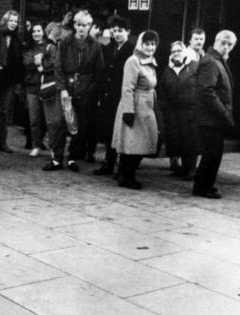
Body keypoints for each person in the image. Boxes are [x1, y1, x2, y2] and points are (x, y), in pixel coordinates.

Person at [46, 10, 105, 172]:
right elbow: (58, 67)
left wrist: (88, 90)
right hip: (66, 88)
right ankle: (56, 158)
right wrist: (63, 89)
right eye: (78, 24)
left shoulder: (96, 46)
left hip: (85, 91)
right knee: (59, 123)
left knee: (79, 126)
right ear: (74, 25)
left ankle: (72, 158)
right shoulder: (65, 42)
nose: (81, 28)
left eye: (85, 25)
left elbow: (99, 72)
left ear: (89, 26)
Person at [112, 30, 160, 189]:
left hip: (146, 107)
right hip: (135, 105)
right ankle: (126, 176)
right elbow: (127, 88)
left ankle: (126, 173)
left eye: (153, 44)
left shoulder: (151, 61)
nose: (150, 47)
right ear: (141, 44)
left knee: (143, 143)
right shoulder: (133, 61)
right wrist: (128, 111)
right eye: (147, 44)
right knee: (131, 144)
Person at [192, 30, 238, 199]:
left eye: (230, 44)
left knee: (214, 153)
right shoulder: (211, 61)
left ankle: (205, 185)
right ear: (216, 42)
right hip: (210, 117)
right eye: (223, 43)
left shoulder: (217, 60)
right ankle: (202, 187)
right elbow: (206, 91)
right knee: (211, 153)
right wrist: (223, 112)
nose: (226, 47)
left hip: (213, 117)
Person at [94, 16, 135, 176]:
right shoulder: (110, 48)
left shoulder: (131, 50)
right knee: (109, 130)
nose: (117, 34)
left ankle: (121, 166)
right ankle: (108, 163)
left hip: (121, 95)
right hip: (109, 96)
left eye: (120, 31)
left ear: (128, 32)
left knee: (122, 132)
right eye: (115, 31)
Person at [157, 40, 199, 180]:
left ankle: (191, 169)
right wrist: (165, 109)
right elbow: (161, 90)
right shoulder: (167, 70)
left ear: (184, 52)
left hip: (190, 111)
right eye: (173, 51)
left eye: (179, 50)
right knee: (177, 139)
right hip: (173, 111)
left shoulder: (194, 67)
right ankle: (181, 168)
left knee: (190, 140)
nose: (176, 54)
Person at [22, 22, 57, 158]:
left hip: (47, 86)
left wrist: (40, 63)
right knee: (34, 119)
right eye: (34, 31)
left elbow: (53, 63)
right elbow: (26, 62)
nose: (36, 33)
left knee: (50, 120)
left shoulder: (51, 47)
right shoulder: (28, 48)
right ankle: (36, 144)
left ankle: (54, 147)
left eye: (39, 31)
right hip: (32, 86)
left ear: (43, 32)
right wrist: (38, 63)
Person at [0, 9, 23, 153]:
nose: (13, 24)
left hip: (9, 80)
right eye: (11, 21)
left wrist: (17, 83)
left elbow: (18, 62)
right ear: (5, 21)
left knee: (4, 111)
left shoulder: (17, 39)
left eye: (15, 22)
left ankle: (2, 142)